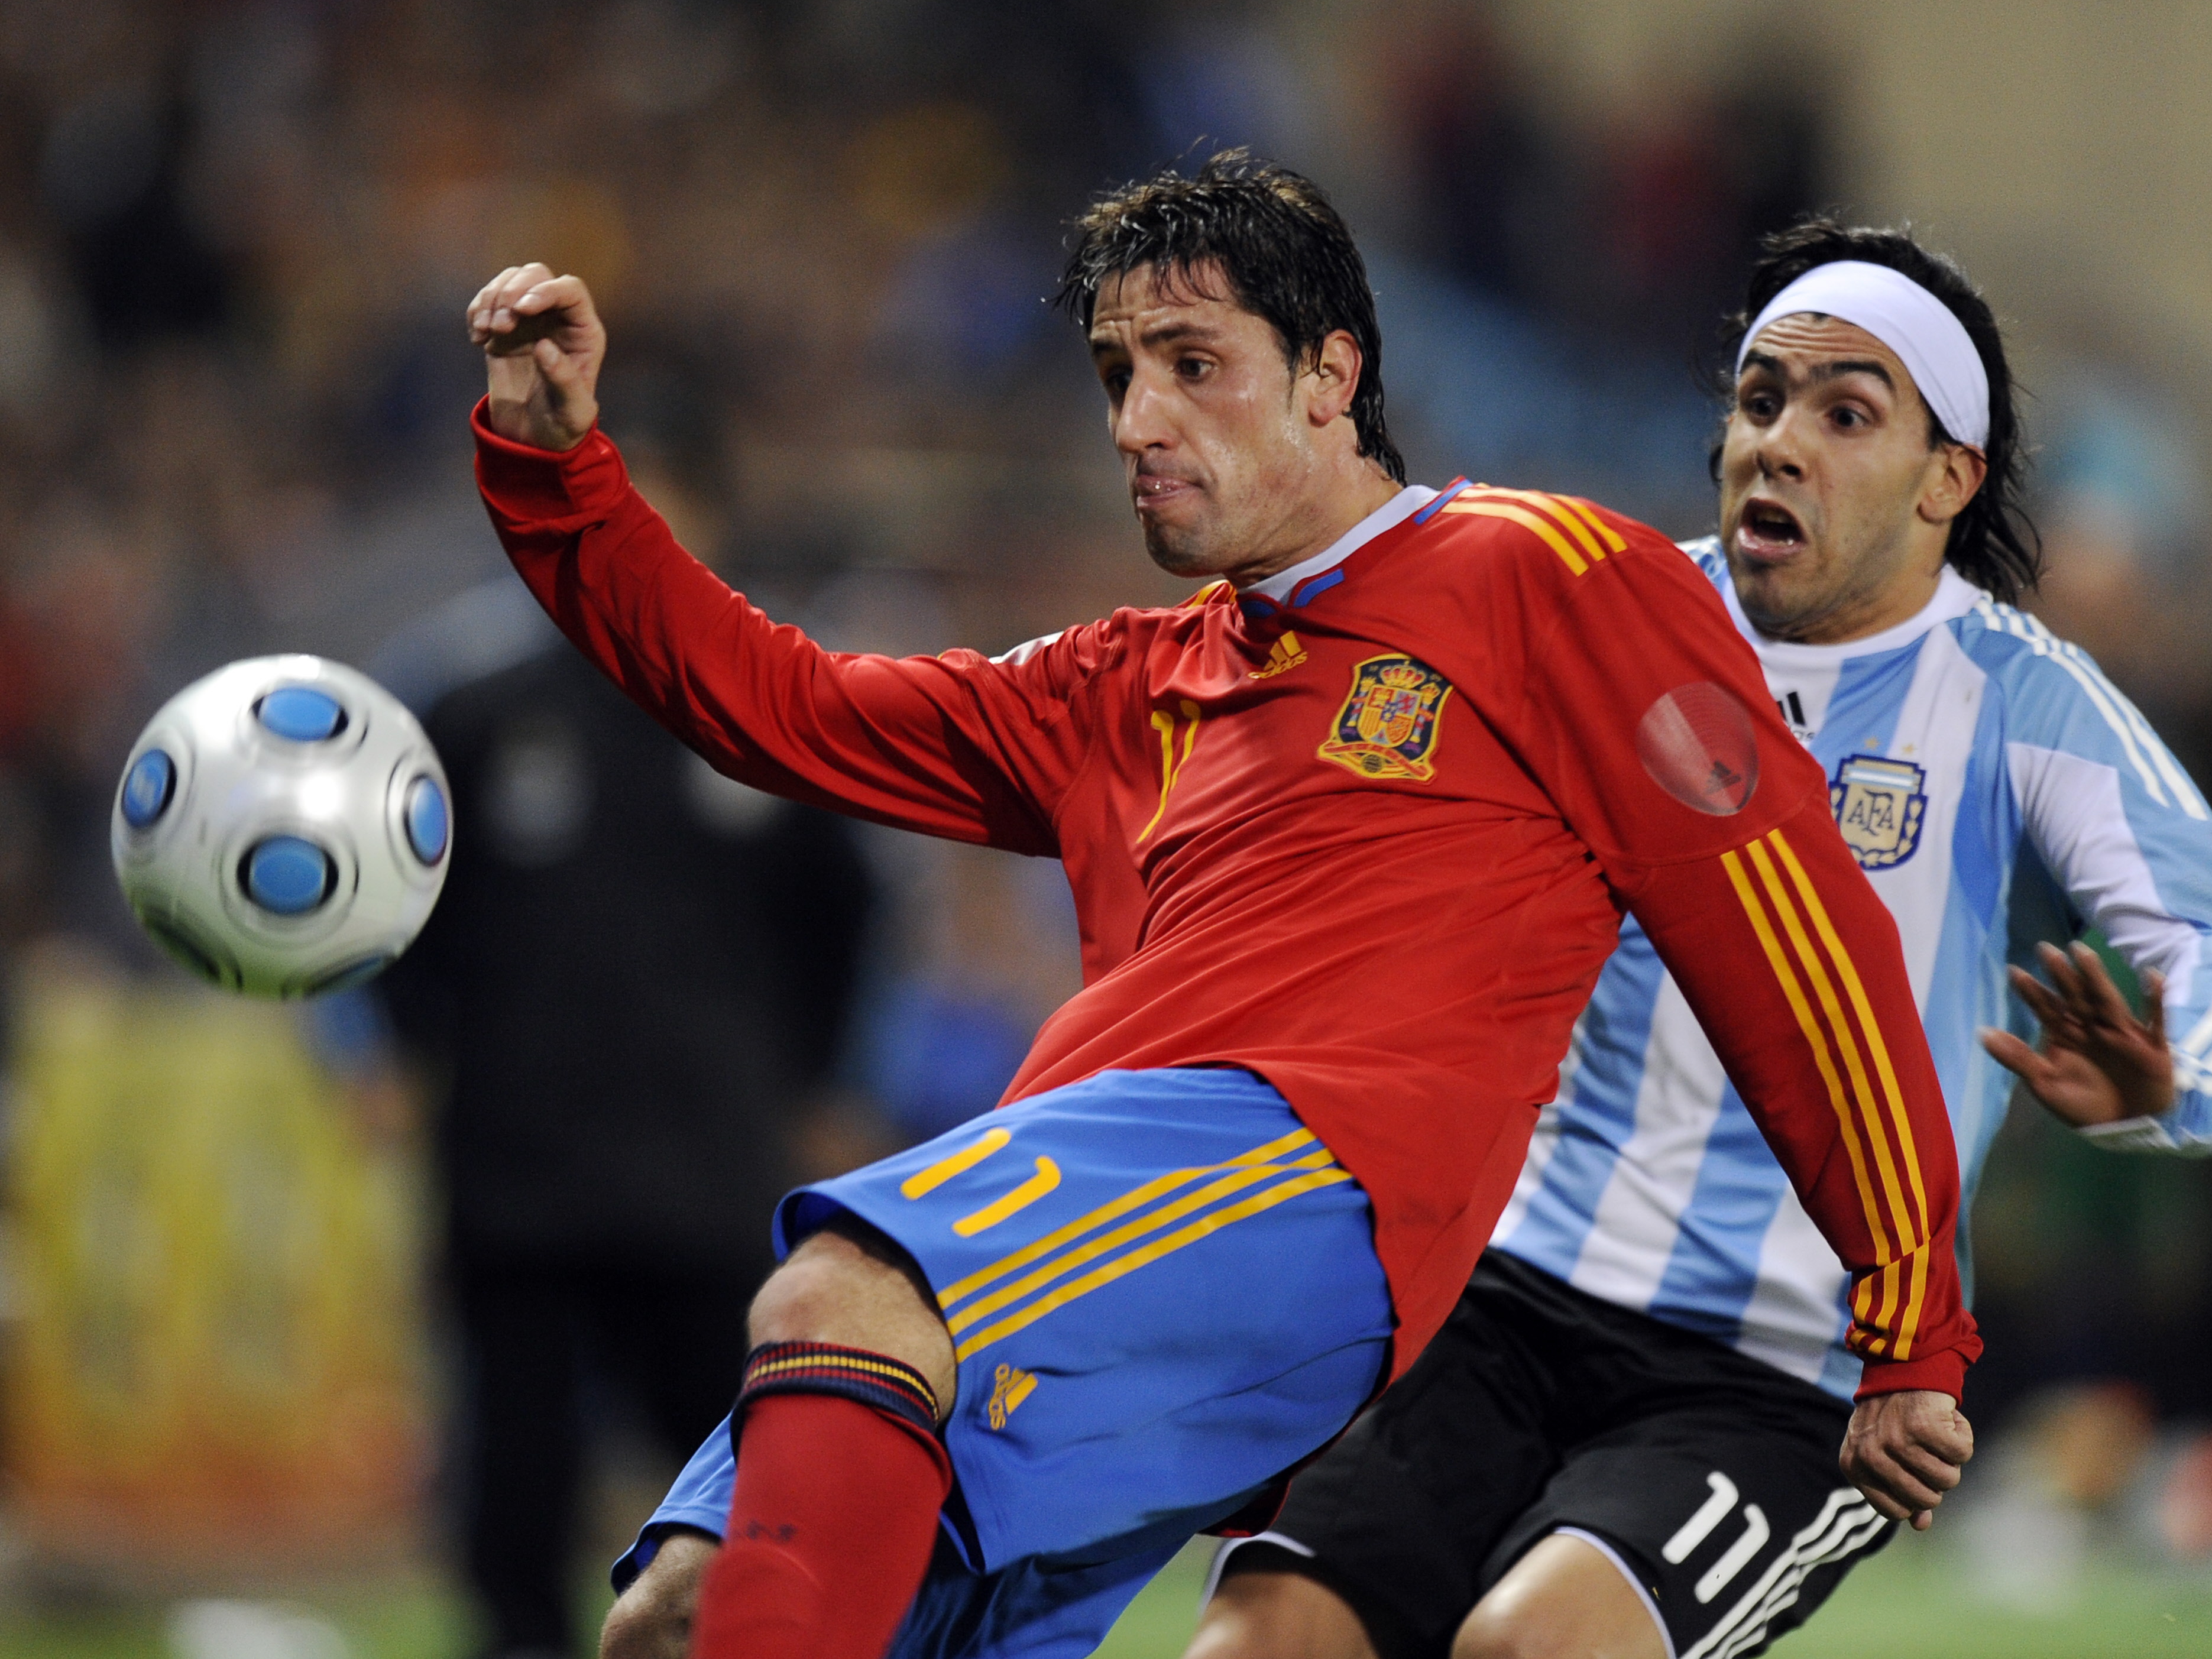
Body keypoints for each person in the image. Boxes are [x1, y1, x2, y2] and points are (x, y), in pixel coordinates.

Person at [462, 156, 1981, 1659]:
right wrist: (560, 477)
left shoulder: (1544, 575)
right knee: (676, 1616)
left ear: (1332, 375)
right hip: (1110, 1233)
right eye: (1118, 373)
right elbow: (771, 705)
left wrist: (1906, 1311)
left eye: (1195, 366)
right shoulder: (1114, 681)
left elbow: (1791, 933)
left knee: (846, 1284)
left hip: (1312, 1177)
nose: (1138, 421)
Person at [1186, 222, 2212, 1659]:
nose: (1777, 442)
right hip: (1498, 1285)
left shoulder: (2022, 701)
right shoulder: (1605, 614)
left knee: (1530, 1649)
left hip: (1788, 1368)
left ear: (1945, 479)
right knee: (1257, 1644)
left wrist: (2169, 1080)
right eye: (1760, 399)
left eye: (1845, 414)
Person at [375, 572, 877, 1659]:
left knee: (748, 1470)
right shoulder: (477, 715)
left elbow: (847, 914)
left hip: (709, 1177)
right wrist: (409, 1046)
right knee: (516, 1485)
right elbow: (401, 910)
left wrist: (817, 1079)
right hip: (518, 1180)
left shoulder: (765, 709)